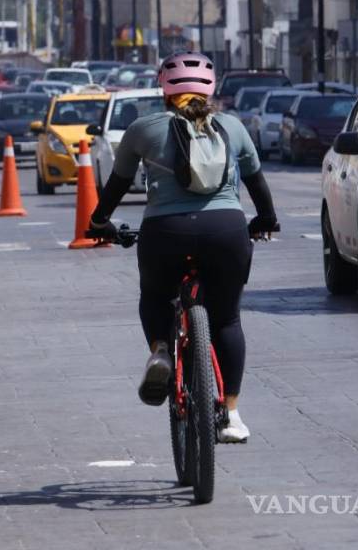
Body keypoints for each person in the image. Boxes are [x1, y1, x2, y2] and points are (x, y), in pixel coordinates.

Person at [88, 52, 279, 444]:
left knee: (155, 296)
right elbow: (259, 187)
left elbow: (115, 187)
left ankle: (160, 350)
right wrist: (264, 222)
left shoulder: (143, 130)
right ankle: (232, 414)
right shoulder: (233, 127)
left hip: (165, 232)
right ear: (212, 89)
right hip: (225, 231)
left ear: (164, 89)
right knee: (226, 321)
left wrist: (99, 224)